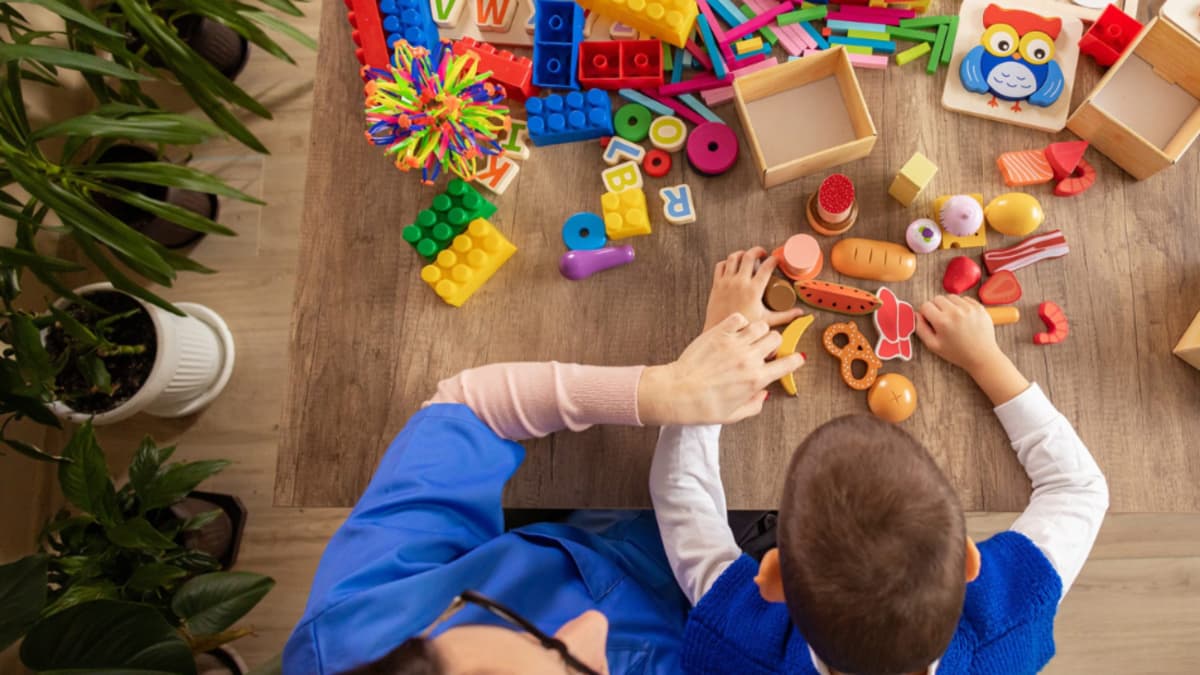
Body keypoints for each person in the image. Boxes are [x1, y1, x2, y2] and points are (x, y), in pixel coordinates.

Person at [282, 250, 807, 675]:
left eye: (512, 624)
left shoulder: (356, 632)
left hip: (619, 536)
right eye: (569, 663)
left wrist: (668, 390)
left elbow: (467, 410)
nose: (590, 626)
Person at [651, 251, 1110, 675]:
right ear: (970, 561)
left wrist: (713, 351)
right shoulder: (1012, 619)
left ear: (770, 579)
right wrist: (984, 358)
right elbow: (1079, 488)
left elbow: (681, 495)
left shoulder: (737, 643)